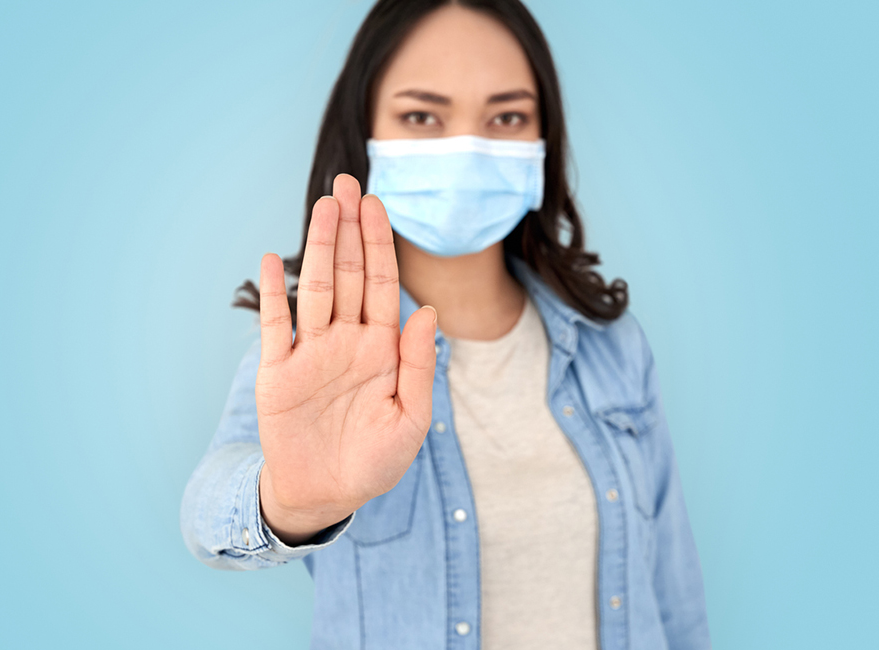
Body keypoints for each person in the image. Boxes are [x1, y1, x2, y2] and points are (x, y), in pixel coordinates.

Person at [180, 1, 711, 648]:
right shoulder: (314, 357)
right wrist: (289, 502)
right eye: (422, 116)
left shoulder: (615, 349)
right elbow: (207, 514)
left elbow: (675, 601)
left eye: (507, 116)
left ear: (544, 141)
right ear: (365, 133)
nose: (467, 147)